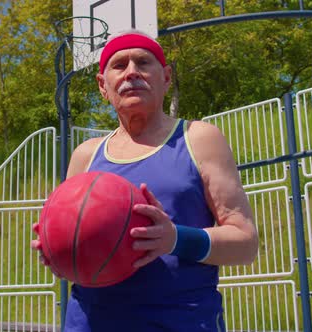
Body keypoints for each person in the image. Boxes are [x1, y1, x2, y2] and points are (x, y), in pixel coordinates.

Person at [32, 30, 259, 332]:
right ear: (103, 85)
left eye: (142, 62)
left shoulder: (198, 139)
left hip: (181, 320)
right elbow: (79, 253)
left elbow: (245, 243)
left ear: (165, 77)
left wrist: (174, 239)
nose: (131, 73)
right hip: (90, 321)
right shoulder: (86, 155)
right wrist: (60, 252)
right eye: (119, 65)